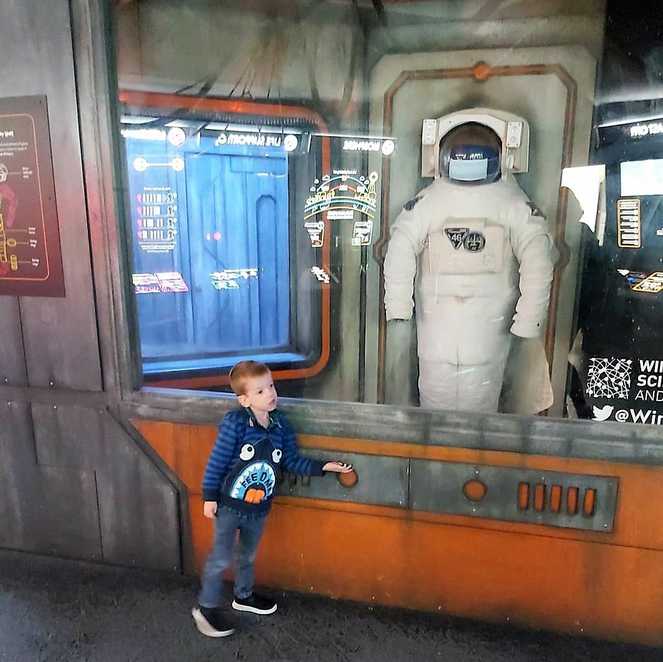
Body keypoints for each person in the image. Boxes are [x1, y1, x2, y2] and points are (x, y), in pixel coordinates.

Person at [384, 116, 555, 413]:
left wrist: (529, 322)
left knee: (470, 417)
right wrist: (399, 313)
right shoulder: (507, 204)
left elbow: (538, 259)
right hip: (452, 337)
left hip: (479, 336)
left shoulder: (508, 203)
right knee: (451, 416)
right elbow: (538, 258)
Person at [192, 360, 353, 637]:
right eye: (260, 391)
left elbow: (290, 461)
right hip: (230, 506)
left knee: (248, 555)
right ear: (244, 400)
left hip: (259, 509)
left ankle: (243, 596)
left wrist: (323, 467)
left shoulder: (281, 426)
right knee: (220, 557)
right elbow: (216, 463)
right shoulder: (236, 424)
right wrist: (209, 497)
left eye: (270, 386)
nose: (270, 394)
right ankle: (205, 608)